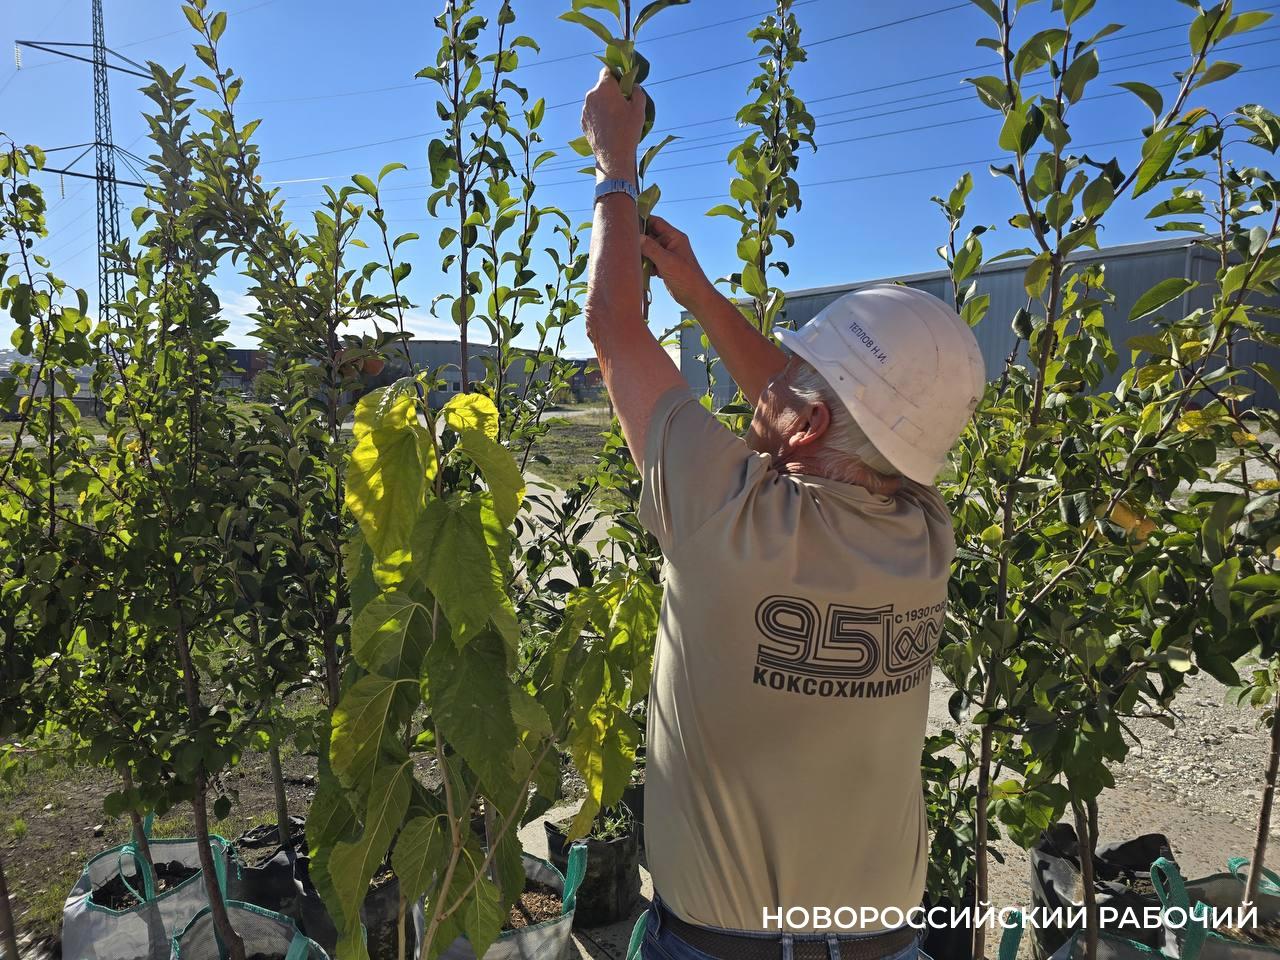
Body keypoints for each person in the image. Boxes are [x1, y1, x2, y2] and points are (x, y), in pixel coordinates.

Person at [580, 67, 986, 960]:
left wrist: (616, 164)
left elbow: (614, 329)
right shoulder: (926, 531)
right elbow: (840, 417)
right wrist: (695, 291)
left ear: (806, 423)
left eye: (788, 386)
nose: (761, 387)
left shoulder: (730, 517)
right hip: (892, 941)